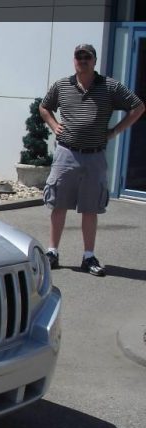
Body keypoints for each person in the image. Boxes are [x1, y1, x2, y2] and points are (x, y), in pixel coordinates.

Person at [39, 43, 144, 276]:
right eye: (79, 56)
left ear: (94, 61)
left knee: (90, 207)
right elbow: (44, 107)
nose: (83, 60)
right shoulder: (62, 86)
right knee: (58, 204)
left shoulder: (109, 86)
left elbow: (138, 107)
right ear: (74, 60)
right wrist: (54, 125)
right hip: (65, 154)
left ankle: (88, 256)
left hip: (94, 156)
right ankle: (52, 252)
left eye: (88, 57)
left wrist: (115, 131)